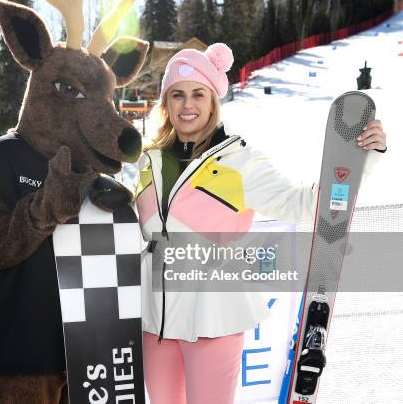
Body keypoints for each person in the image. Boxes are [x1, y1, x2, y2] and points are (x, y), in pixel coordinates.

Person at [134, 44, 387, 404]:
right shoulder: (149, 162)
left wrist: (364, 160)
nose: (187, 105)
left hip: (213, 322)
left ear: (212, 102)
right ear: (166, 103)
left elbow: (303, 204)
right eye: (177, 94)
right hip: (155, 324)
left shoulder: (240, 163)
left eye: (197, 94)